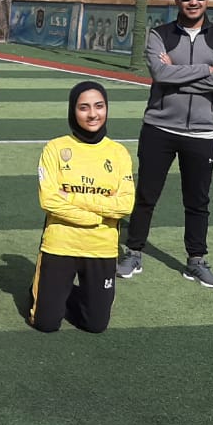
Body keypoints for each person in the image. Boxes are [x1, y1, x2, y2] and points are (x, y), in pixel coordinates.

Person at [117, 0, 213, 289]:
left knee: (198, 201)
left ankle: (196, 261)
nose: (193, 2)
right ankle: (134, 252)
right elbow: (159, 73)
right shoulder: (159, 34)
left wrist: (176, 74)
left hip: (202, 132)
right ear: (176, 0)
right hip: (159, 127)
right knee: (146, 195)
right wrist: (204, 70)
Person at [29, 81, 134, 334]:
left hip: (101, 247)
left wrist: (75, 199)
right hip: (60, 244)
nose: (92, 114)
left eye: (99, 106)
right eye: (84, 107)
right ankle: (46, 293)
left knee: (95, 325)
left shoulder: (119, 152)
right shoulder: (55, 148)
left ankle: (63, 293)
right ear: (73, 111)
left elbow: (125, 204)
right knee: (45, 324)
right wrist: (96, 216)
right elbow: (49, 200)